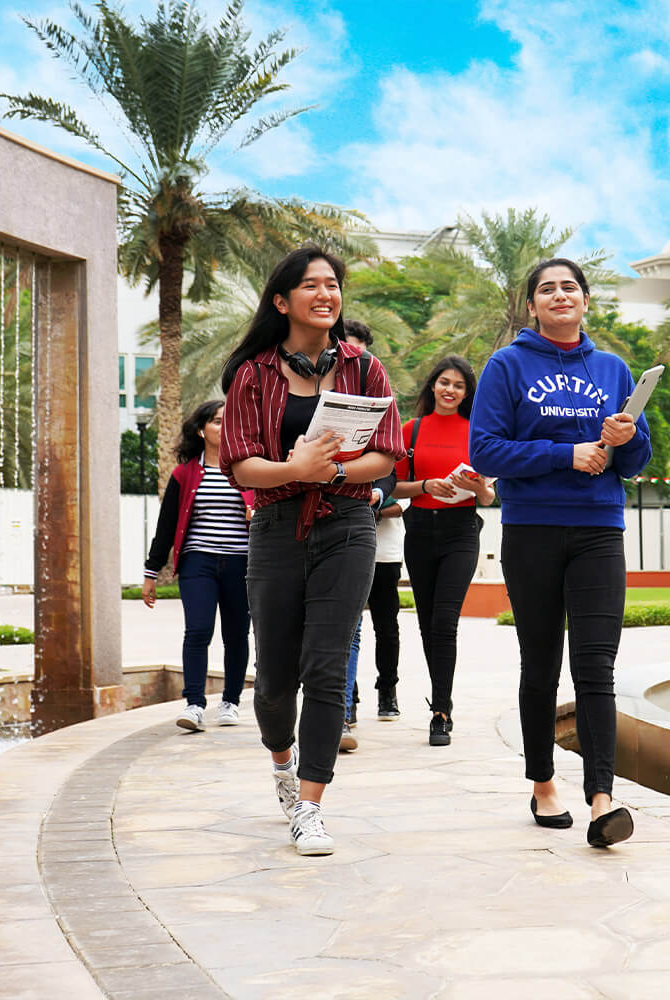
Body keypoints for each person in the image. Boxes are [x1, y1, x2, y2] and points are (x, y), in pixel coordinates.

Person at [220, 245, 404, 856]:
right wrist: (292, 465)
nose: (327, 294)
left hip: (349, 522)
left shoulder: (364, 368)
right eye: (312, 285)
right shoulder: (254, 374)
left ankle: (310, 804)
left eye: (334, 285)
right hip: (274, 527)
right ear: (282, 300)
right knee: (274, 677)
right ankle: (282, 764)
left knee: (327, 666)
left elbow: (386, 455)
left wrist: (330, 473)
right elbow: (242, 467)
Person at [470, 258, 651, 849]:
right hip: (532, 529)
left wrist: (629, 439)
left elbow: (634, 463)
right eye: (546, 289)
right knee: (541, 661)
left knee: (595, 666)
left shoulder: (612, 368)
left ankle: (602, 798)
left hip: (599, 529)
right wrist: (563, 454)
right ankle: (542, 782)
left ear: (586, 300)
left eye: (569, 286)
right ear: (532, 307)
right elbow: (488, 450)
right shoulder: (508, 365)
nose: (558, 295)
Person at [391, 355, 495, 747]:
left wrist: (479, 486)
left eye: (459, 385)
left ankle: (441, 712)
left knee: (444, 621)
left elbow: (487, 494)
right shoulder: (411, 430)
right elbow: (392, 485)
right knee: (426, 622)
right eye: (444, 382)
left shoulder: (476, 433)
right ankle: (440, 700)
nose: (450, 390)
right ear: (432, 386)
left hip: (461, 532)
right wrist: (425, 486)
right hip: (419, 530)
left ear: (467, 393)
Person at [144, 400, 255, 732]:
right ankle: (194, 704)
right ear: (200, 430)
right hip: (198, 561)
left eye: (229, 421)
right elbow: (166, 528)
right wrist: (152, 572)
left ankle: (231, 702)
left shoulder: (248, 470)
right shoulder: (185, 474)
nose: (224, 427)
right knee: (198, 630)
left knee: (236, 634)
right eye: (218, 422)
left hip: (241, 562)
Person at [339, 319, 406, 749]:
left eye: (360, 352)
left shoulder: (378, 402)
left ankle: (355, 703)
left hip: (370, 533)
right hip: (315, 527)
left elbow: (391, 471)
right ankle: (340, 702)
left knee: (373, 624)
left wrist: (374, 496)